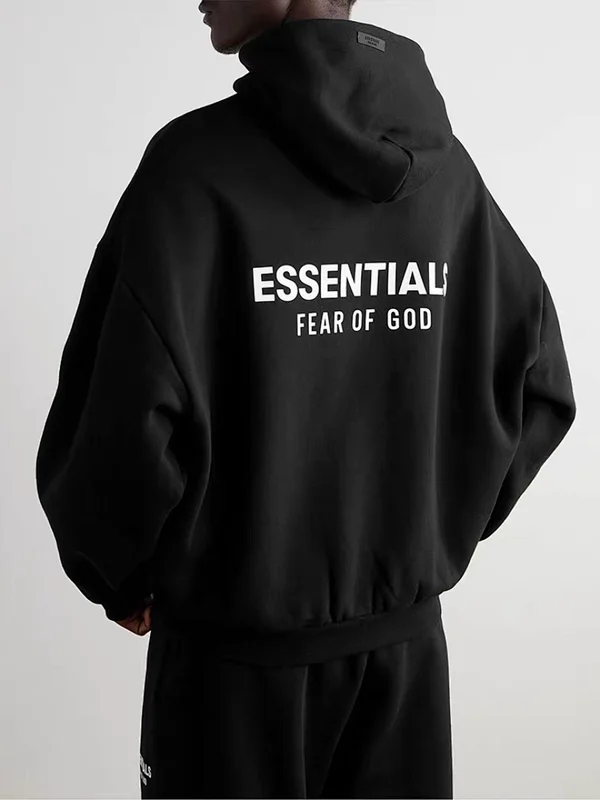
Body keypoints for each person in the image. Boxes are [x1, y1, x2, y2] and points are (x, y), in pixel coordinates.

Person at [35, 0, 577, 797]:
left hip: (229, 678)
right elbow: (538, 383)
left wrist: (118, 572)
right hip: (404, 672)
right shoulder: (448, 176)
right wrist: (420, 527)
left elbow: (121, 413)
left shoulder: (192, 169)